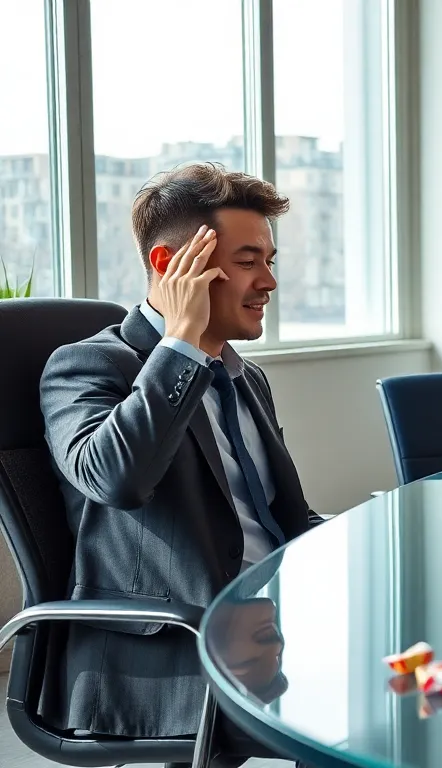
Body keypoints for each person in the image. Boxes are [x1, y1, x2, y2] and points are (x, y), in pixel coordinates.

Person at [39, 163, 322, 744]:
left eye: (269, 262)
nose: (268, 282)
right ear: (172, 267)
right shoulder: (87, 365)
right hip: (178, 648)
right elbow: (116, 479)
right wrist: (182, 343)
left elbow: (275, 518)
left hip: (272, 620)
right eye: (247, 262)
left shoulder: (245, 378)